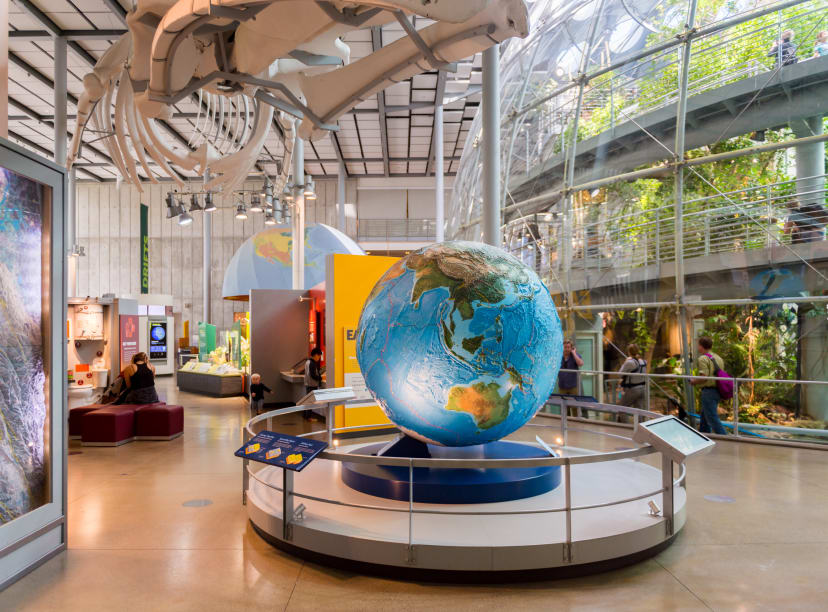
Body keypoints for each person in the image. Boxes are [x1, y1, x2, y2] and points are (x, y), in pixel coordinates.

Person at [691, 337, 728, 435]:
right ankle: (703, 435)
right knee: (705, 417)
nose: (697, 347)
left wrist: (693, 381)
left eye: (698, 345)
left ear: (701, 346)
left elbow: (704, 377)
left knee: (712, 418)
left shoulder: (703, 358)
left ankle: (725, 438)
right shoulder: (718, 357)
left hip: (709, 391)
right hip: (717, 390)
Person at [618, 343, 647, 409]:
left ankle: (624, 420)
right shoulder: (643, 362)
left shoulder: (629, 362)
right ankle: (641, 420)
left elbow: (620, 374)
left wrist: (625, 362)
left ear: (629, 352)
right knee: (639, 410)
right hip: (642, 388)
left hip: (633, 389)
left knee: (622, 408)